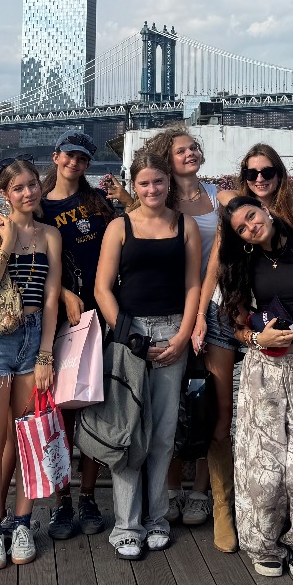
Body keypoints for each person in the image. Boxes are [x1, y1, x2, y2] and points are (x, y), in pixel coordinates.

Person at [218, 194, 293, 579]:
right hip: (262, 367)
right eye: (242, 228)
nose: (251, 227)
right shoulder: (242, 261)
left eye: (252, 216)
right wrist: (257, 341)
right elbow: (236, 325)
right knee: (262, 461)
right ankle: (263, 541)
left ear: (266, 211)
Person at [93, 152, 203, 559]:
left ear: (167, 184)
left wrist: (184, 334)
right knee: (127, 430)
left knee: (162, 432)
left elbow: (193, 285)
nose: (152, 189)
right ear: (133, 186)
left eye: (159, 182)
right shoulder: (119, 226)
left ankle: (156, 517)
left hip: (173, 328)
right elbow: (103, 287)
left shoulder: (184, 225)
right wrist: (127, 333)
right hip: (131, 332)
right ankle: (126, 524)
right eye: (144, 184)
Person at [133, 125, 236, 546]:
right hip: (169, 312)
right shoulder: (159, 199)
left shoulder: (218, 196)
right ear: (166, 159)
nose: (190, 153)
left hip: (212, 310)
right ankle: (170, 488)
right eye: (181, 150)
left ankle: (203, 493)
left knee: (208, 398)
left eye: (194, 148)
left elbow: (265, 207)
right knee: (169, 404)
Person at [0, 158, 63, 571]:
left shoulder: (51, 236)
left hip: (32, 338)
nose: (28, 193)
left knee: (29, 438)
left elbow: (52, 297)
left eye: (33, 185)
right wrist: (6, 244)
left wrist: (45, 354)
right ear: (5, 194)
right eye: (18, 187)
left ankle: (22, 521)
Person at [36, 130, 116, 542]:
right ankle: (61, 501)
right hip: (65, 318)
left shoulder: (99, 203)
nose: (75, 163)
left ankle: (88, 497)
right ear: (56, 157)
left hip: (102, 314)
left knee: (95, 407)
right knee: (62, 411)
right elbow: (33, 259)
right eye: (69, 156)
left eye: (83, 158)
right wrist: (64, 291)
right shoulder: (40, 207)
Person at [218, 143, 293, 229]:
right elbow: (222, 195)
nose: (259, 179)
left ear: (279, 175)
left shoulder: (292, 217)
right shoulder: (234, 217)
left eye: (267, 172)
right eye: (252, 173)